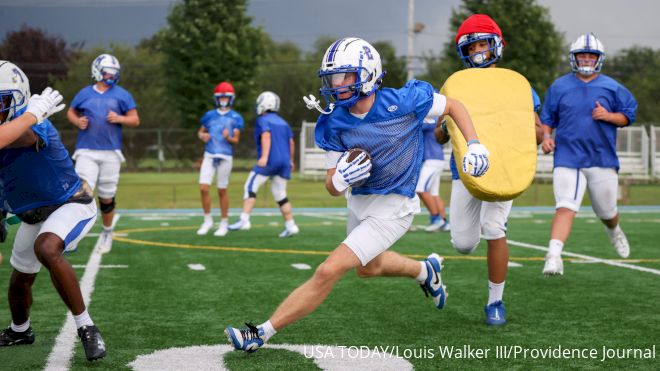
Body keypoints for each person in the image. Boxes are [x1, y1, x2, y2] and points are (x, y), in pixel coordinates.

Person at [224, 37, 489, 353]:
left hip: (395, 206)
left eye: (345, 76)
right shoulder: (333, 120)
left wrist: (474, 143)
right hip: (361, 200)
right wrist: (341, 179)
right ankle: (425, 271)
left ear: (368, 73)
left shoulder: (405, 101)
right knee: (368, 269)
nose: (336, 85)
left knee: (328, 270)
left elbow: (454, 106)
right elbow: (332, 187)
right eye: (333, 78)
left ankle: (261, 334)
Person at [435, 14, 543, 326]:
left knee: (494, 228)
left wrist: (536, 133)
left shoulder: (516, 84)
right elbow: (438, 134)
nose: (478, 51)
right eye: (472, 47)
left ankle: (495, 302)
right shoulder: (458, 85)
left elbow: (537, 132)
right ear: (463, 53)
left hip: (504, 166)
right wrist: (445, 129)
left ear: (496, 45)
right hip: (466, 173)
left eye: (482, 43)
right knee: (464, 244)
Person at [0, 61, 106, 361]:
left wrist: (33, 113)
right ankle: (20, 330)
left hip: (71, 204)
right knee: (20, 277)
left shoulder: (34, 123)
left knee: (46, 247)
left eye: (1, 100)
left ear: (19, 98)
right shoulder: (23, 119)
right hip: (36, 213)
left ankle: (86, 327)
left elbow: (8, 138)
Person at [541, 34, 637, 276]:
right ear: (573, 58)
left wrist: (609, 116)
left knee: (607, 212)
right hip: (568, 156)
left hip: (600, 158)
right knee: (565, 206)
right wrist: (546, 137)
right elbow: (547, 120)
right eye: (581, 55)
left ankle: (614, 231)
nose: (586, 59)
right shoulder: (560, 86)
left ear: (598, 59)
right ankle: (553, 255)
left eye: (590, 55)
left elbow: (628, 115)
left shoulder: (613, 87)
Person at [66, 53, 140, 254]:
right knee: (81, 194)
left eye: (114, 72)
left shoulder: (122, 94)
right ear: (97, 71)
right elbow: (70, 112)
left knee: (106, 196)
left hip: (111, 152)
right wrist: (77, 121)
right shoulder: (84, 93)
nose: (111, 76)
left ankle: (107, 232)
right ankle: (73, 235)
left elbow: (135, 119)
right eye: (108, 72)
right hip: (87, 151)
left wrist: (119, 118)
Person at [227, 91, 299, 238]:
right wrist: (291, 160)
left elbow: (266, 135)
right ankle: (291, 225)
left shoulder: (263, 120)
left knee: (250, 187)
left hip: (270, 160)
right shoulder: (283, 122)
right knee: (280, 194)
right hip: (284, 162)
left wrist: (265, 157)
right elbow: (291, 142)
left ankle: (244, 220)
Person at [196, 82, 244, 236]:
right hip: (209, 154)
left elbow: (236, 140)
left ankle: (224, 223)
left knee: (222, 190)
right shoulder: (209, 115)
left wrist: (228, 137)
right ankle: (207, 220)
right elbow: (200, 132)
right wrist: (203, 136)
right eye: (221, 97)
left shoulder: (236, 117)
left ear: (231, 98)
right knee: (203, 188)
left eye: (226, 97)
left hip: (225, 155)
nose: (223, 99)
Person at [416, 117, 450, 232]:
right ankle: (444, 222)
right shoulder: (434, 120)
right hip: (436, 159)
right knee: (434, 193)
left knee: (420, 189)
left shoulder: (431, 120)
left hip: (432, 160)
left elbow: (416, 125)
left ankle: (436, 219)